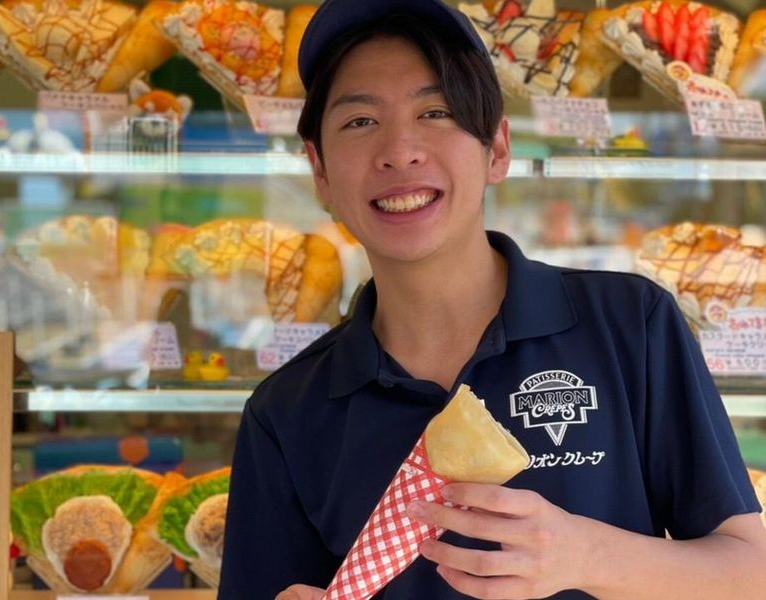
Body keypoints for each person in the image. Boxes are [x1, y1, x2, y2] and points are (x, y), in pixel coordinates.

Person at [218, 1, 766, 598]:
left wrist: (587, 556)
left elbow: (749, 570)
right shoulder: (286, 411)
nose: (400, 151)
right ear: (319, 171)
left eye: (436, 111)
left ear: (497, 149)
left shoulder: (630, 324)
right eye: (360, 122)